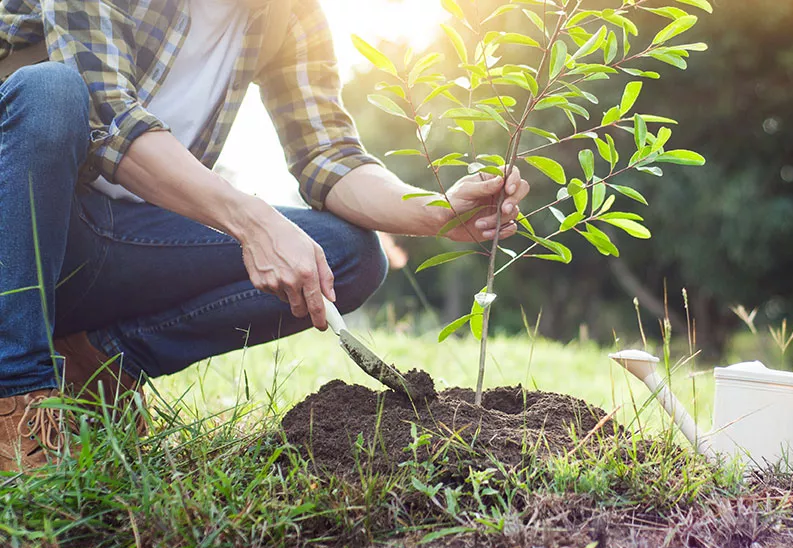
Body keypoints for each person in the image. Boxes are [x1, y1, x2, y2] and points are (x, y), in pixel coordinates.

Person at [0, 0, 530, 472]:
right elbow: (109, 118)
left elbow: (329, 156)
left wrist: (433, 212)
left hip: (114, 243)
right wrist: (251, 220)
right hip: (21, 234)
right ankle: (17, 398)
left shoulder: (288, 13)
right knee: (50, 91)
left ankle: (95, 367)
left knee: (346, 256)